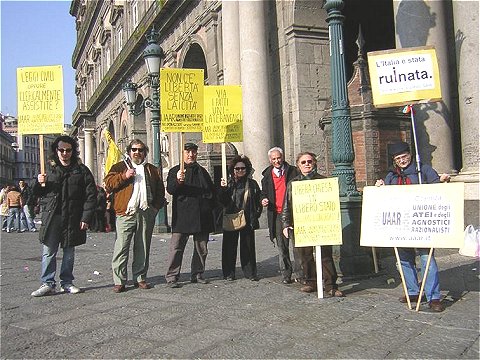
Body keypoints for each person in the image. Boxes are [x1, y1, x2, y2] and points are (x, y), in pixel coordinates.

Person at [375, 141, 450, 312]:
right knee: (403, 260)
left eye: (404, 157)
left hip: (421, 224)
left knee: (427, 259)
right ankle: (413, 291)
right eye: (398, 158)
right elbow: (386, 198)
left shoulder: (424, 170)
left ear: (410, 155)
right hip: (401, 225)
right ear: (394, 160)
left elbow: (436, 189)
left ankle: (434, 296)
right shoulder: (392, 176)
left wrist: (442, 181)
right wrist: (381, 188)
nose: (402, 160)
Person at [31, 135, 97, 297]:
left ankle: (66, 282)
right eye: (61, 150)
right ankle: (47, 283)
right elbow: (36, 193)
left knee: (69, 252)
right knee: (48, 250)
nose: (64, 153)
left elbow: (91, 195)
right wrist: (38, 182)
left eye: (68, 150)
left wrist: (85, 217)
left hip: (73, 216)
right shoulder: (48, 169)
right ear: (56, 150)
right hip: (52, 216)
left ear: (73, 151)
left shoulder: (81, 170)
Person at [104, 139, 165, 293]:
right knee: (121, 247)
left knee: (143, 246)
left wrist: (155, 208)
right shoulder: (119, 167)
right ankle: (119, 280)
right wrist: (124, 176)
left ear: (145, 152)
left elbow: (160, 190)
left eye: (140, 150)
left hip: (145, 211)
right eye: (134, 150)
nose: (137, 153)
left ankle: (140, 277)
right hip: (125, 213)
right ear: (129, 151)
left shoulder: (152, 169)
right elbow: (108, 184)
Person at [281, 152, 344, 296]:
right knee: (305, 255)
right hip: (301, 224)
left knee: (325, 255)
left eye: (309, 161)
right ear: (298, 165)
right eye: (303, 162)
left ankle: (330, 285)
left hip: (320, 223)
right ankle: (310, 281)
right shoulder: (293, 184)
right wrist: (286, 224)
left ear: (314, 163)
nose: (307, 164)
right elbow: (286, 205)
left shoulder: (324, 181)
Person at [165, 142, 216, 287]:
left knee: (201, 248)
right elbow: (171, 189)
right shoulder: (176, 170)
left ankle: (198, 273)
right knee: (176, 247)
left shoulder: (202, 171)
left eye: (193, 152)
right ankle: (172, 276)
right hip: (183, 215)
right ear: (182, 154)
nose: (191, 155)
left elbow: (210, 191)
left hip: (201, 215)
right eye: (187, 152)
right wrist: (178, 181)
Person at [219, 155, 263, 281]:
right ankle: (228, 273)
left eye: (242, 168)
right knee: (229, 247)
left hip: (247, 218)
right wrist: (223, 189)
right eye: (237, 169)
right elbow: (221, 200)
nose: (240, 171)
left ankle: (250, 272)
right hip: (231, 218)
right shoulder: (228, 183)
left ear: (247, 169)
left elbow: (258, 199)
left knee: (248, 247)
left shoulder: (252, 184)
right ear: (233, 170)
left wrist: (257, 212)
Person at [260, 147, 299, 284]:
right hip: (277, 214)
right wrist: (263, 199)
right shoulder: (266, 176)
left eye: (278, 158)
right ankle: (286, 274)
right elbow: (263, 193)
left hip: (293, 213)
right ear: (270, 160)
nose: (277, 161)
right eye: (274, 159)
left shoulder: (293, 171)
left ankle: (300, 274)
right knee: (282, 247)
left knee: (297, 245)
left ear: (282, 157)